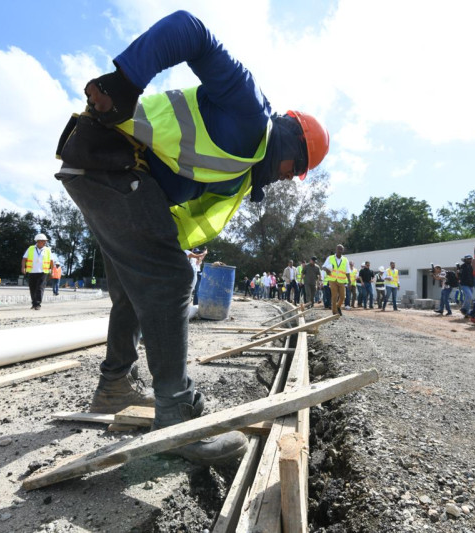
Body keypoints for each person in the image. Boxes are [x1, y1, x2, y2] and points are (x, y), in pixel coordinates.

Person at [55, 11, 329, 466]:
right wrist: (126, 81)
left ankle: (114, 386)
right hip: (112, 159)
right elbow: (189, 29)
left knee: (133, 287)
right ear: (291, 145)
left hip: (106, 170)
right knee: (170, 281)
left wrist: (168, 245)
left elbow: (178, 210)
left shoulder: (240, 174)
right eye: (293, 170)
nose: (285, 179)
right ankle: (177, 416)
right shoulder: (249, 114)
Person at [21, 233, 53, 310]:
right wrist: (23, 267)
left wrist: (52, 271)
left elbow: (51, 261)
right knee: (32, 288)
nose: (44, 242)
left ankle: (38, 304)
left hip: (43, 272)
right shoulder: (31, 248)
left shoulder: (47, 250)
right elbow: (24, 259)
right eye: (43, 241)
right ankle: (34, 303)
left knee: (40, 288)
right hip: (32, 271)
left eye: (45, 241)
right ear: (38, 241)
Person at [323, 244, 350, 315]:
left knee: (343, 297)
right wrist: (327, 270)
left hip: (341, 281)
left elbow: (347, 271)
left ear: (343, 250)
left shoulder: (345, 260)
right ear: (336, 249)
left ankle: (338, 306)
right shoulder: (330, 258)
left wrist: (349, 281)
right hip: (332, 280)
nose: (340, 250)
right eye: (338, 249)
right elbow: (323, 266)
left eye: (341, 249)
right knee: (334, 296)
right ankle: (334, 312)